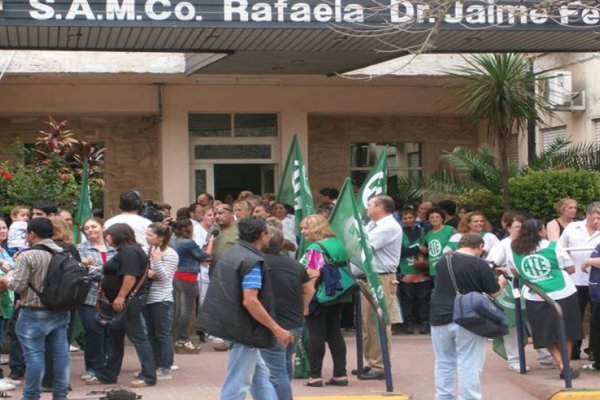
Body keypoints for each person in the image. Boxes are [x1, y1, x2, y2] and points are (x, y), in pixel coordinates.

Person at [197, 217, 293, 400]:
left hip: (232, 323)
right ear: (262, 235)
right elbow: (250, 301)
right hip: (245, 328)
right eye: (268, 232)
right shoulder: (252, 261)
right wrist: (277, 329)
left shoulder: (231, 253)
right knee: (238, 382)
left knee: (259, 376)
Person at [0, 218, 71, 399]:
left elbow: (18, 285)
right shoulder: (63, 252)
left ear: (32, 234)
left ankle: (31, 395)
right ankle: (60, 394)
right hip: (60, 310)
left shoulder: (28, 255)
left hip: (33, 312)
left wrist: (7, 278)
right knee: (61, 353)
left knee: (34, 356)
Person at [430, 233, 506, 400]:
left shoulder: (443, 261)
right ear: (480, 247)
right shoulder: (479, 264)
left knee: (444, 360)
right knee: (469, 362)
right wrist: (502, 280)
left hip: (439, 315)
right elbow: (494, 292)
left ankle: (443, 396)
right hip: (467, 317)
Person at [508, 219, 584, 380]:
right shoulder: (553, 246)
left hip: (535, 295)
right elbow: (570, 268)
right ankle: (566, 366)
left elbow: (515, 271)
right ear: (540, 231)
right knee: (567, 331)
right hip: (563, 291)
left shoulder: (514, 249)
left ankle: (561, 365)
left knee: (545, 334)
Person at [85, 223, 156, 387]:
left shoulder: (129, 252)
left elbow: (130, 276)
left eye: (108, 235)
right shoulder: (128, 251)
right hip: (121, 300)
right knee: (114, 337)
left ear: (117, 235)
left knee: (137, 336)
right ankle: (109, 374)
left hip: (127, 301)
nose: (107, 238)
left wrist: (121, 297)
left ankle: (148, 375)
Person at [486, 212, 555, 371]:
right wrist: (502, 270)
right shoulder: (503, 245)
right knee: (512, 326)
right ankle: (514, 360)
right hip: (511, 292)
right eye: (516, 227)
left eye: (522, 227)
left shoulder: (535, 243)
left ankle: (546, 356)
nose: (520, 230)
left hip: (534, 289)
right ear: (508, 228)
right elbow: (490, 264)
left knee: (538, 322)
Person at [260, 227, 312, 400]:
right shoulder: (295, 264)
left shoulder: (258, 262)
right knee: (284, 362)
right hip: (294, 321)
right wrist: (303, 308)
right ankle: (284, 393)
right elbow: (308, 289)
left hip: (272, 323)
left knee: (275, 370)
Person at [355, 195, 403, 379]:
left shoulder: (387, 226)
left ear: (380, 207)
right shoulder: (374, 225)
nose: (367, 208)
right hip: (369, 276)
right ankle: (371, 361)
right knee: (368, 322)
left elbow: (364, 246)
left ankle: (381, 366)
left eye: (370, 205)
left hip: (381, 278)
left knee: (378, 322)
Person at [300, 214, 348, 387]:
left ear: (315, 229)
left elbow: (312, 277)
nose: (302, 231)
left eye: (305, 228)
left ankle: (315, 376)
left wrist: (306, 305)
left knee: (316, 334)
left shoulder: (316, 248)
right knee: (335, 332)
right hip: (337, 294)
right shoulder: (338, 243)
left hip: (318, 296)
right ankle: (340, 374)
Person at [559, 202, 600, 360]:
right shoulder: (573, 228)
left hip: (596, 281)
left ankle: (594, 351)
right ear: (588, 215)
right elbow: (560, 248)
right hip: (575, 279)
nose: (597, 221)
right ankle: (573, 351)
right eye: (595, 217)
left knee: (596, 318)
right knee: (575, 316)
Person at [77, 217, 115, 381]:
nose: (91, 230)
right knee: (93, 331)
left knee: (110, 332)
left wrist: (96, 270)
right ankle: (93, 367)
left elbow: (120, 268)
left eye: (94, 226)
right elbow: (82, 271)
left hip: (112, 297)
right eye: (87, 228)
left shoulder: (114, 248)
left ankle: (107, 365)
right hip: (89, 296)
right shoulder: (80, 249)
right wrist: (107, 273)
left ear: (102, 228)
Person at [171, 218, 211, 353]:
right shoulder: (188, 242)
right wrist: (211, 242)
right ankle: (183, 340)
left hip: (176, 276)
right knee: (186, 311)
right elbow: (204, 256)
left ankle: (175, 339)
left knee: (177, 309)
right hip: (188, 277)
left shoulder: (172, 240)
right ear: (188, 228)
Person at [144, 223, 178, 380]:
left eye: (150, 234)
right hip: (148, 297)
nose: (147, 237)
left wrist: (155, 264)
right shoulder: (148, 250)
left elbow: (163, 277)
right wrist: (149, 273)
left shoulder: (170, 254)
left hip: (162, 298)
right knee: (151, 333)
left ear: (161, 237)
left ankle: (165, 367)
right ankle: (155, 364)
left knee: (162, 333)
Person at [398, 208, 432, 335]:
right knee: (408, 298)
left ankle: (425, 322)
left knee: (424, 297)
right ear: (401, 220)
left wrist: (424, 251)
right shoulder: (399, 233)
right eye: (405, 218)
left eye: (410, 217)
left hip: (422, 269)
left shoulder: (424, 231)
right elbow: (399, 252)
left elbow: (429, 248)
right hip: (406, 269)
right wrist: (417, 248)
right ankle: (409, 323)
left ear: (415, 217)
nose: (408, 220)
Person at [421, 207, 455, 278]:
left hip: (449, 267)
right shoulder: (427, 235)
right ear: (428, 220)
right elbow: (426, 250)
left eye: (437, 217)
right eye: (432, 217)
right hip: (434, 269)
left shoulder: (450, 230)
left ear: (442, 218)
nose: (435, 219)